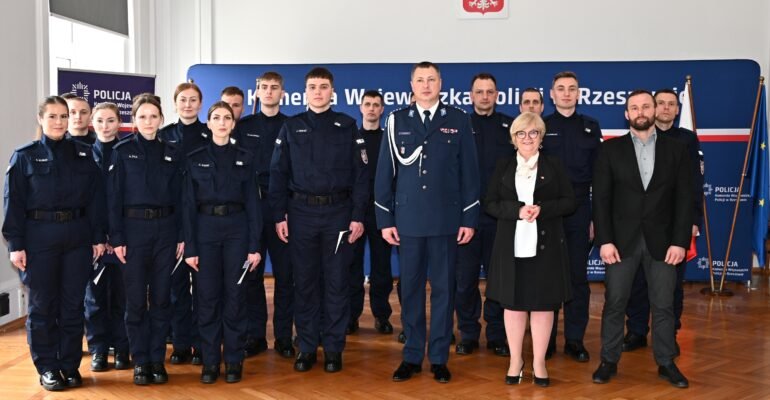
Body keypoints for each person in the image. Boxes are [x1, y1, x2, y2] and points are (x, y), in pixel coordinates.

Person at [375, 61, 480, 384]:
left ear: (441, 83)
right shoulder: (396, 121)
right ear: (411, 84)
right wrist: (384, 218)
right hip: (407, 221)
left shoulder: (458, 120)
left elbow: (470, 174)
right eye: (420, 80)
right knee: (410, 290)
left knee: (444, 291)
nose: (425, 85)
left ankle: (438, 357)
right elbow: (384, 174)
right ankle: (411, 355)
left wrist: (469, 217)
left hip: (446, 220)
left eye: (431, 79)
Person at [3, 96, 106, 391]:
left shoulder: (86, 155)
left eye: (64, 116)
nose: (59, 122)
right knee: (42, 306)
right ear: (41, 119)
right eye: (53, 116)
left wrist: (99, 237)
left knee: (73, 305)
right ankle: (47, 367)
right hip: (39, 239)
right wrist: (16, 244)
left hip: (77, 236)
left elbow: (96, 201)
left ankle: (70, 365)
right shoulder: (24, 156)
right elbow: (13, 203)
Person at [269, 67, 369, 373]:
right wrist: (278, 215)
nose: (318, 91)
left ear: (332, 92)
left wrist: (357, 216)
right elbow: (278, 173)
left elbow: (361, 176)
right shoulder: (291, 126)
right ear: (304, 91)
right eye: (312, 86)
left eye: (323, 87)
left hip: (338, 214)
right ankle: (308, 347)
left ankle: (334, 348)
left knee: (337, 282)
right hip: (300, 215)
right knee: (306, 283)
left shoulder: (348, 125)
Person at [591, 90, 692, 388]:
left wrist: (680, 241)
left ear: (656, 109)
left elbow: (686, 200)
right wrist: (605, 240)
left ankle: (665, 362)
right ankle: (608, 360)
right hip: (620, 243)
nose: (641, 111)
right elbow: (602, 201)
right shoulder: (610, 150)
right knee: (615, 303)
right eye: (634, 107)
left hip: (664, 243)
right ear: (626, 114)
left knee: (663, 305)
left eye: (646, 105)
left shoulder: (677, 150)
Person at [485, 112, 575, 387]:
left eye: (534, 133)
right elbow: (490, 203)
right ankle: (516, 360)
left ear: (541, 138)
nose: (528, 138)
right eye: (521, 134)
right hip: (510, 246)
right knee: (512, 306)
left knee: (543, 305)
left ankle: (538, 362)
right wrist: (517, 210)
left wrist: (543, 210)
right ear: (513, 139)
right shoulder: (502, 165)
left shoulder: (554, 165)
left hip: (545, 248)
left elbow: (570, 202)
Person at [183, 101, 263, 384]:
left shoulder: (245, 156)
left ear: (233, 123)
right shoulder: (194, 158)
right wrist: (190, 248)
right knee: (206, 299)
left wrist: (254, 246)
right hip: (205, 232)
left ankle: (233, 361)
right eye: (216, 117)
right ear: (208, 123)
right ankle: (209, 361)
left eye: (226, 118)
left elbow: (254, 204)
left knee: (235, 298)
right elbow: (188, 206)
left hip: (237, 232)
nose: (221, 122)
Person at [108, 93, 185, 385]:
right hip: (133, 233)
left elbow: (181, 198)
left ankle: (157, 360)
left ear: (161, 119)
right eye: (142, 117)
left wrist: (181, 235)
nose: (149, 121)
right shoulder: (122, 151)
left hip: (166, 231)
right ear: (134, 121)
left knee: (163, 298)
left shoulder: (172, 152)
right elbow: (113, 198)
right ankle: (141, 361)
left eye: (154, 116)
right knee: (136, 301)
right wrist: (117, 238)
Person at [621, 88, 704, 354]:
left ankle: (669, 333)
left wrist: (692, 220)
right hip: (638, 228)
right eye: (661, 104)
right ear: (653, 109)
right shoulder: (637, 139)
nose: (666, 108)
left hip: (672, 227)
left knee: (672, 285)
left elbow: (693, 184)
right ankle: (636, 331)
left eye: (671, 104)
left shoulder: (686, 141)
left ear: (677, 110)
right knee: (637, 283)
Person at [541, 71, 602, 362]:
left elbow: (600, 178)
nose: (566, 93)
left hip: (580, 211)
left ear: (579, 94)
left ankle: (575, 340)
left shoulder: (591, 127)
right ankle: (547, 340)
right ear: (551, 94)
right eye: (560, 89)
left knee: (577, 278)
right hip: (548, 213)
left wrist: (594, 218)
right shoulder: (542, 126)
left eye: (572, 89)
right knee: (549, 278)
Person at [454, 73, 514, 357]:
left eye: (490, 91)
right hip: (465, 217)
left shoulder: (509, 127)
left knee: (497, 280)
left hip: (499, 217)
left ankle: (496, 334)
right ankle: (468, 332)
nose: (485, 96)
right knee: (464, 280)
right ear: (471, 96)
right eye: (480, 92)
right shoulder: (457, 125)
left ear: (497, 95)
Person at [235, 72, 295, 358]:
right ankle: (254, 335)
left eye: (274, 87)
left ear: (282, 93)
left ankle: (284, 337)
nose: (269, 92)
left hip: (282, 208)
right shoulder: (243, 126)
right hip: (251, 208)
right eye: (264, 87)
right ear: (256, 92)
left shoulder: (292, 126)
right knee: (252, 276)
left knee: (285, 277)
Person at [159, 82, 208, 366]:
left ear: (201, 104)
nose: (188, 105)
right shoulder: (164, 136)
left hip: (204, 220)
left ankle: (202, 344)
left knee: (204, 289)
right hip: (172, 221)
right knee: (176, 288)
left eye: (193, 100)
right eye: (183, 100)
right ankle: (180, 343)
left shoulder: (209, 133)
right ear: (175, 104)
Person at [84, 102, 130, 372]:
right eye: (100, 120)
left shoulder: (128, 153)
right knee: (95, 298)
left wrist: (119, 236)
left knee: (124, 297)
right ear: (92, 122)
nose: (105, 126)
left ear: (119, 122)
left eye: (110, 120)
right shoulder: (84, 154)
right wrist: (97, 237)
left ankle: (123, 348)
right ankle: (99, 350)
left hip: (124, 239)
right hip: (94, 241)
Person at [347, 90, 394, 335]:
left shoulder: (390, 138)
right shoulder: (350, 138)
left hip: (381, 211)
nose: (372, 109)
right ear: (361, 107)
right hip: (355, 210)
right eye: (368, 104)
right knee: (352, 266)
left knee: (382, 268)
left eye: (377, 105)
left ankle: (382, 315)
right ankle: (351, 316)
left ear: (382, 109)